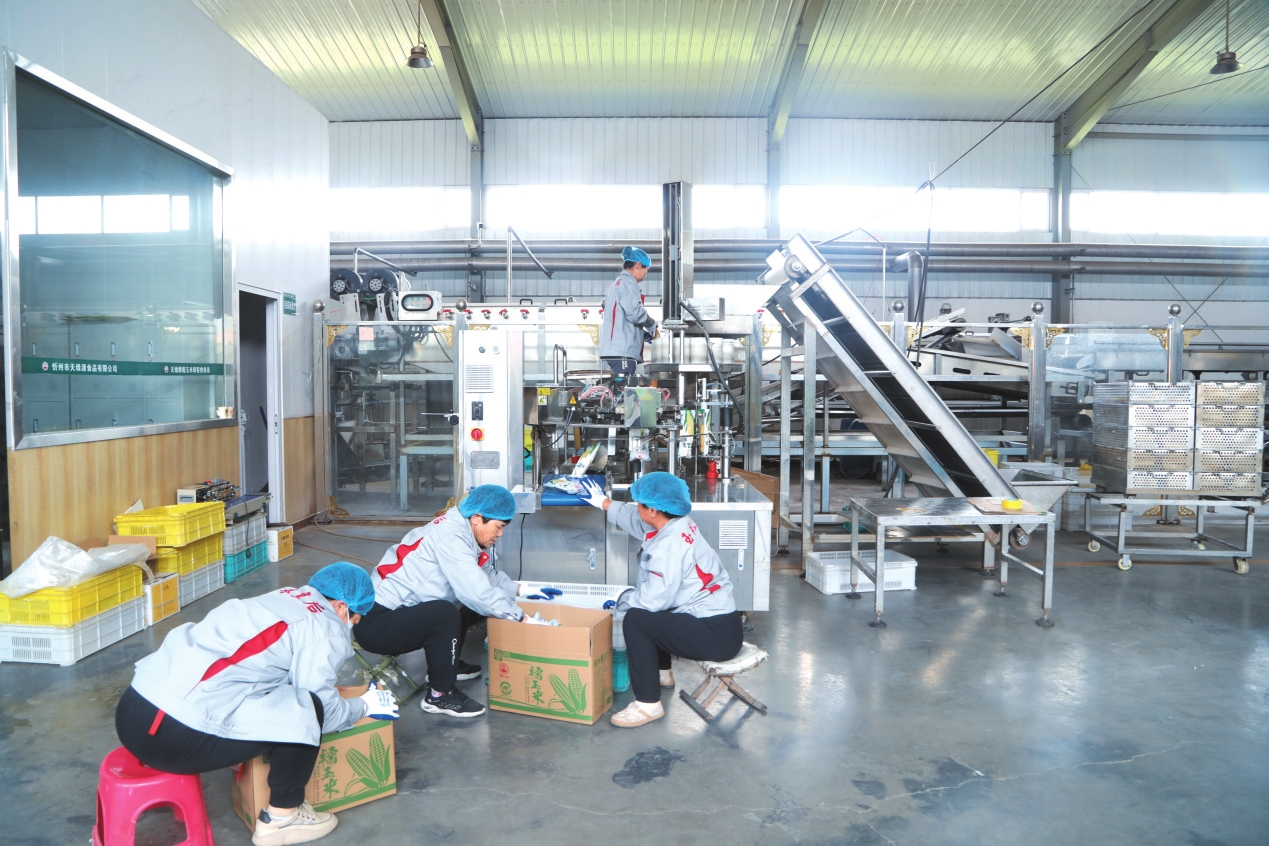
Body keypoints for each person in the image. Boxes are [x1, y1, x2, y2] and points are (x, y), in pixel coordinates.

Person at [114, 562, 397, 846]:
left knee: (279, 692)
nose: (352, 625)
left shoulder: (284, 597)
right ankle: (282, 819)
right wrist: (364, 706)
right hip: (171, 741)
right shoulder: (326, 627)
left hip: (133, 712)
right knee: (307, 710)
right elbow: (326, 711)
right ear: (340, 606)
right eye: (354, 619)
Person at [353, 484, 550, 719]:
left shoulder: (465, 531)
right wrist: (522, 618)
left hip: (399, 613)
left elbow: (486, 576)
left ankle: (449, 665)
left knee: (468, 606)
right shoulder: (452, 538)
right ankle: (439, 695)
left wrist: (523, 590)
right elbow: (476, 593)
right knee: (447, 611)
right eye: (499, 527)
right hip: (376, 623)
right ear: (477, 518)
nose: (500, 534)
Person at [578, 472, 742, 727]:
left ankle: (648, 704)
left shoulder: (669, 547)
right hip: (723, 625)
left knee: (637, 620)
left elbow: (653, 601)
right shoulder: (676, 522)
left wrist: (620, 600)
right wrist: (603, 502)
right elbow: (639, 522)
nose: (636, 507)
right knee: (656, 615)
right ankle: (663, 674)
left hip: (715, 638)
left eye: (639, 504)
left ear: (653, 511)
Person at [599, 245, 658, 380]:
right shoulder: (628, 283)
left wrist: (641, 334)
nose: (646, 273)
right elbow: (635, 313)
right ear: (638, 265)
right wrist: (651, 324)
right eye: (646, 268)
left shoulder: (618, 283)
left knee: (617, 387)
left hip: (616, 350)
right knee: (623, 388)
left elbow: (623, 317)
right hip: (622, 352)